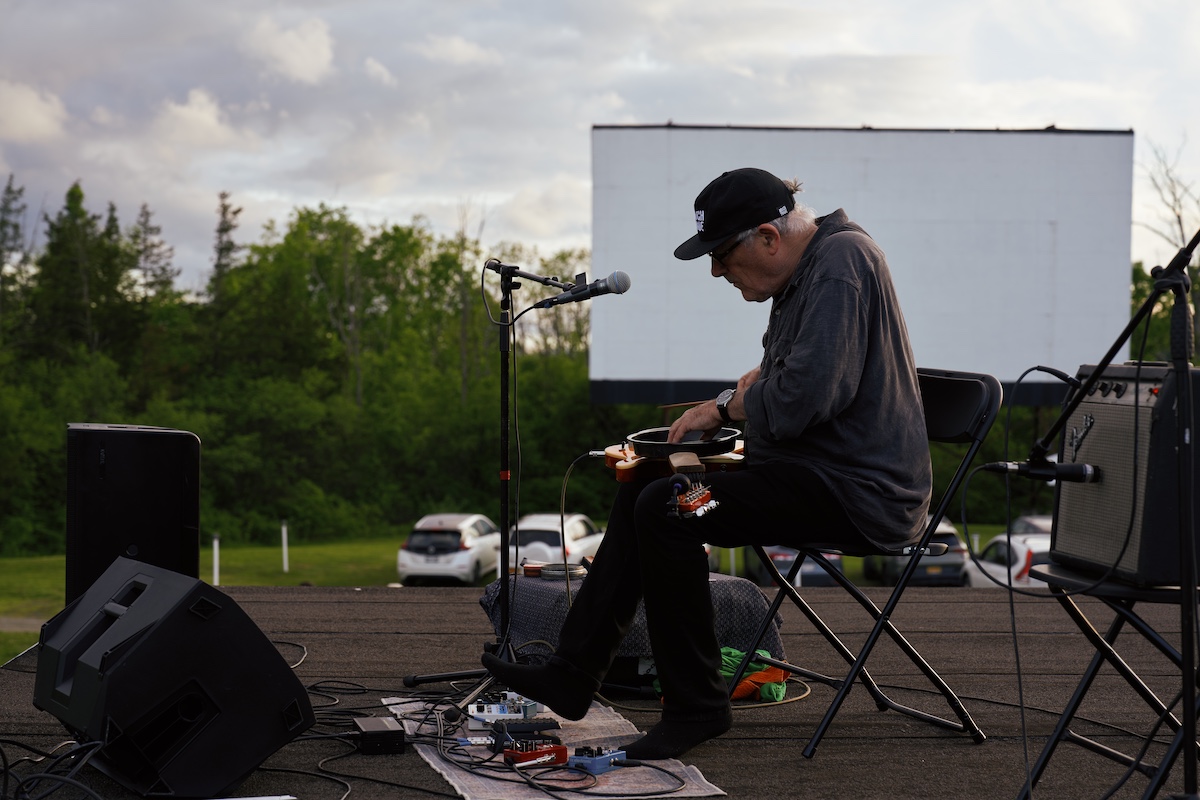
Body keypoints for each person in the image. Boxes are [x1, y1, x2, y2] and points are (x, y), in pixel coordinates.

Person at [484, 167, 931, 760]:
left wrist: (728, 407)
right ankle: (572, 674)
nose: (717, 270)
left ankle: (696, 707)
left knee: (672, 510)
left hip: (853, 494)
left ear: (769, 237)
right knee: (647, 480)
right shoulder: (812, 270)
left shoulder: (840, 265)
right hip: (807, 476)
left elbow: (802, 399)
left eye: (722, 255)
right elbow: (787, 378)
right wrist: (740, 397)